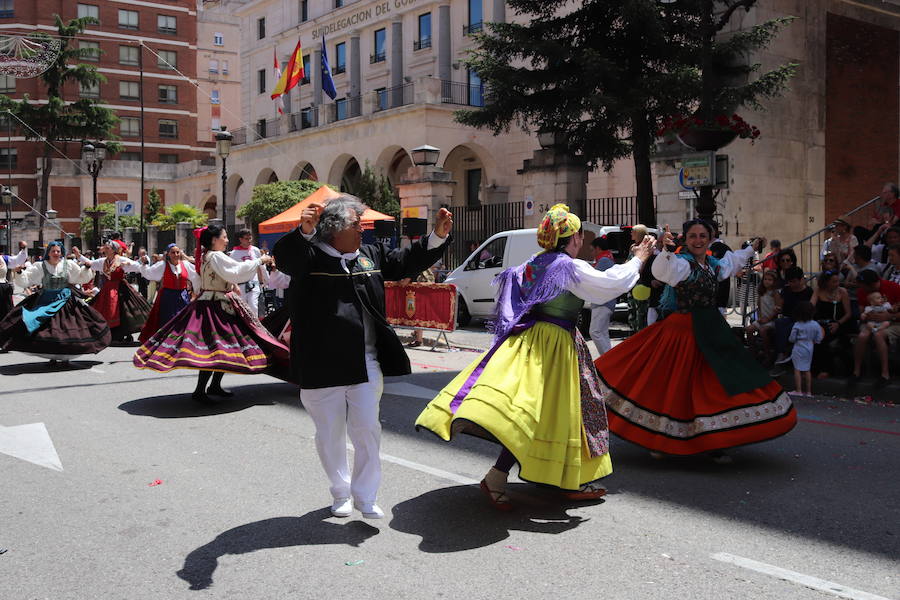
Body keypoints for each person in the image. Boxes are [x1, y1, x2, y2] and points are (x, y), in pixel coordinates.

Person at [417, 204, 652, 510]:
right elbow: (608, 286)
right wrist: (638, 259)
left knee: (545, 415)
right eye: (580, 234)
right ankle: (501, 476)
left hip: (531, 340)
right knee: (548, 415)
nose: (581, 240)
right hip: (554, 345)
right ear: (574, 238)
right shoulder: (568, 266)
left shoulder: (534, 262)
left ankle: (560, 477)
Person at [274, 195, 452, 520]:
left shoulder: (369, 255)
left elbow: (405, 260)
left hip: (365, 362)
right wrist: (303, 231)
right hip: (321, 364)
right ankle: (340, 491)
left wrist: (437, 236)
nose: (363, 229)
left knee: (368, 428)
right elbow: (285, 258)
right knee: (330, 433)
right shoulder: (309, 255)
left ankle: (365, 495)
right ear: (335, 228)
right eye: (357, 224)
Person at [595, 221, 794, 461]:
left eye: (702, 236)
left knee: (715, 385)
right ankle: (663, 439)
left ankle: (713, 439)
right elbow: (662, 271)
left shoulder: (713, 265)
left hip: (711, 331)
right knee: (674, 386)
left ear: (710, 239)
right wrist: (666, 251)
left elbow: (733, 261)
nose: (698, 240)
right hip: (682, 332)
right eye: (692, 236)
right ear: (686, 240)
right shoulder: (681, 264)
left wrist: (752, 248)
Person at [134, 225, 287, 403]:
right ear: (214, 240)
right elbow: (236, 272)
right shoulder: (215, 255)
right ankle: (200, 390)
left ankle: (213, 385)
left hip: (213, 303)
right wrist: (259, 261)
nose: (227, 240)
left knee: (223, 348)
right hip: (216, 306)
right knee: (216, 349)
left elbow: (208, 278)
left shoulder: (207, 256)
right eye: (224, 236)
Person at [0, 241, 110, 365]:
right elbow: (27, 280)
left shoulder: (68, 265)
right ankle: (52, 355)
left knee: (67, 328)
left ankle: (65, 356)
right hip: (46, 300)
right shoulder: (40, 266)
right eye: (53, 251)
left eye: (58, 251)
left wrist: (86, 267)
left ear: (62, 252)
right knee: (49, 329)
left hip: (65, 301)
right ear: (49, 253)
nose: (56, 253)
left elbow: (80, 277)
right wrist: (19, 272)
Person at [78, 241, 151, 343]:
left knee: (124, 310)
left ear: (113, 250)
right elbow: (91, 264)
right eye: (105, 248)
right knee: (106, 309)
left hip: (120, 287)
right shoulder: (103, 261)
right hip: (108, 288)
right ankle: (112, 333)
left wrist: (140, 262)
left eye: (107, 248)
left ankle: (123, 333)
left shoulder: (121, 259)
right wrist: (79, 256)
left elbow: (137, 266)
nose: (105, 250)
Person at [136, 244, 198, 343]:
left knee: (183, 320)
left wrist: (195, 293)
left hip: (183, 296)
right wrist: (144, 265)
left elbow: (196, 276)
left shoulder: (185, 264)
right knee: (168, 320)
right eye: (173, 252)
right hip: (167, 297)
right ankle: (167, 343)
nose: (176, 254)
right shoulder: (163, 265)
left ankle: (180, 342)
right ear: (168, 254)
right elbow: (149, 274)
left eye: (177, 252)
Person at [850, 270, 900, 387]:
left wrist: (890, 316)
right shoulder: (862, 291)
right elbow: (861, 312)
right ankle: (856, 371)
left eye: (862, 286)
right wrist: (866, 316)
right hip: (871, 321)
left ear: (871, 285)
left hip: (893, 322)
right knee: (862, 336)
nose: (860, 288)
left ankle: (885, 374)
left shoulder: (894, 288)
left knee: (879, 335)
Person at [810, 270, 853, 378]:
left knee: (826, 338)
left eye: (838, 281)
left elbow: (848, 314)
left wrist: (838, 323)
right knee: (816, 336)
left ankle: (827, 369)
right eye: (834, 282)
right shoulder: (818, 291)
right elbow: (811, 307)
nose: (837, 284)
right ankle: (817, 368)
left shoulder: (842, 292)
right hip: (821, 323)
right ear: (826, 282)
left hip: (839, 323)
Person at [773, 267, 813, 366]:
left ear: (801, 280)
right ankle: (781, 352)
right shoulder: (786, 290)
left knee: (790, 327)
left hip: (802, 319)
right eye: (790, 282)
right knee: (779, 323)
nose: (792, 284)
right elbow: (781, 306)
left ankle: (785, 352)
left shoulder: (808, 292)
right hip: (789, 317)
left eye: (794, 281)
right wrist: (778, 309)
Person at [744, 269, 782, 364]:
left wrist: (768, 319)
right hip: (763, 319)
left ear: (774, 282)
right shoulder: (761, 292)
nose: (767, 281)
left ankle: (767, 354)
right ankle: (753, 352)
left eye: (770, 279)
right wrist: (760, 318)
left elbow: (777, 309)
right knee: (749, 329)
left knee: (763, 331)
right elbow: (759, 307)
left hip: (772, 320)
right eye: (765, 279)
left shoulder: (775, 293)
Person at [229, 229, 268, 317]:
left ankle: (255, 329)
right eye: (246, 238)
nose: (249, 241)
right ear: (241, 239)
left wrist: (265, 280)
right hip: (240, 285)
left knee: (254, 307)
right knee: (242, 309)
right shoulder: (234, 254)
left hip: (254, 284)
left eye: (250, 238)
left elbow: (261, 266)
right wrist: (234, 285)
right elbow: (232, 271)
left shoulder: (255, 250)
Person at [789, 301, 824, 397]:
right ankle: (809, 391)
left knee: (797, 369)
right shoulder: (815, 324)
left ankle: (798, 390)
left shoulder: (797, 324)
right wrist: (814, 341)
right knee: (807, 369)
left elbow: (791, 338)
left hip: (799, 346)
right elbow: (819, 338)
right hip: (810, 346)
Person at [589, 236, 616, 355]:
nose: (592, 253)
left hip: (602, 302)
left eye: (592, 249)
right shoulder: (607, 259)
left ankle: (606, 358)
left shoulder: (604, 260)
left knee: (595, 332)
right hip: (606, 302)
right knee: (602, 333)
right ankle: (608, 358)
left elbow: (593, 278)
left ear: (598, 248)